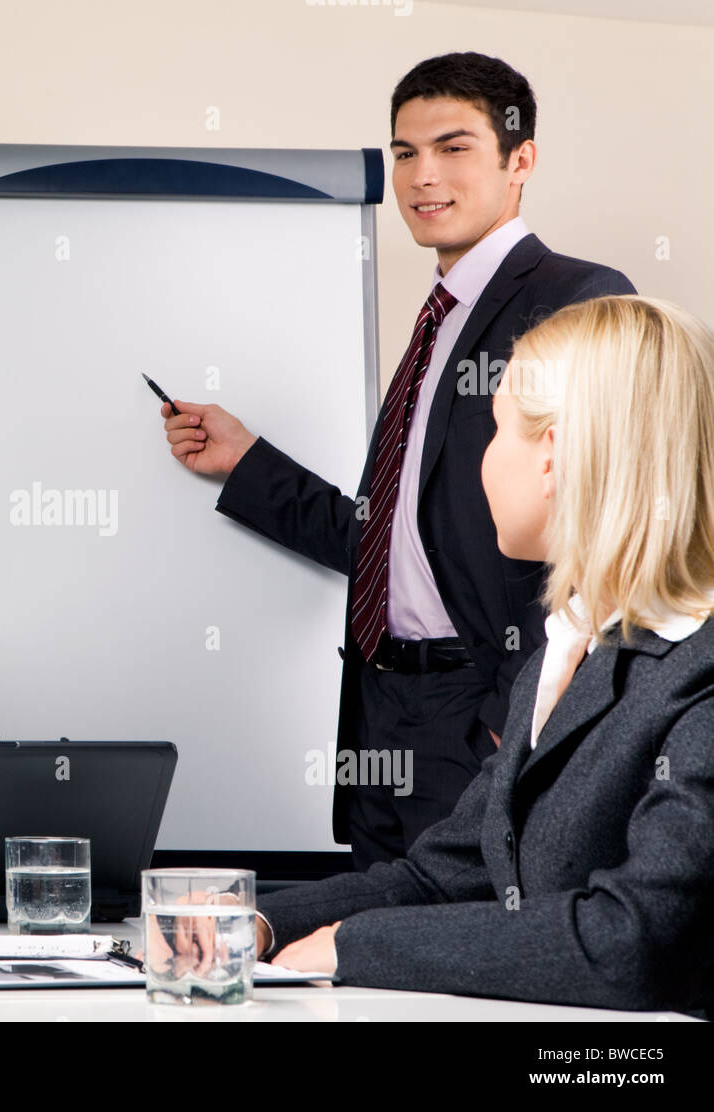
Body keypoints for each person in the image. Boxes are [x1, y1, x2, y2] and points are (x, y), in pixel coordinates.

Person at [160, 52, 636, 869]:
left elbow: (604, 524)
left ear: (520, 160)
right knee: (369, 958)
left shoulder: (575, 299)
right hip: (382, 709)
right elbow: (394, 541)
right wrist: (248, 462)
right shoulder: (437, 317)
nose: (423, 176)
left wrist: (511, 712)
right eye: (405, 152)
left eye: (453, 148)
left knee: (459, 958)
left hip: (482, 707)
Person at [239, 295, 714, 1013]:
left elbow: (631, 940)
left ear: (553, 454)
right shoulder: (567, 651)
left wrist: (353, 949)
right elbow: (444, 875)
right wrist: (261, 921)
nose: (482, 465)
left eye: (496, 433)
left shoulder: (698, 676)